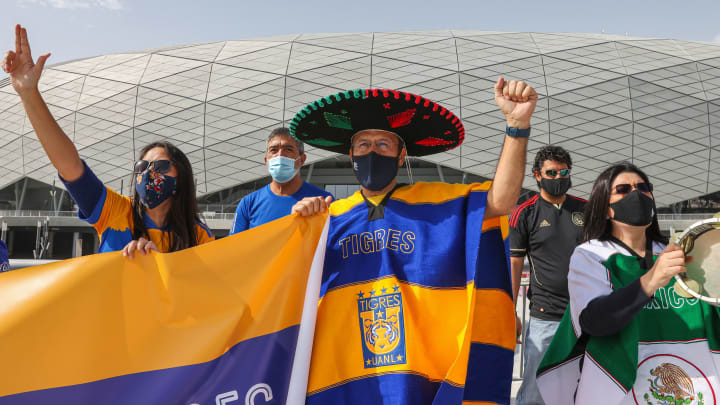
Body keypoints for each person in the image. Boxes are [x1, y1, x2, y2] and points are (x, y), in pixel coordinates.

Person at [291, 81, 537, 404]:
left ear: (401, 154)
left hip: (420, 378)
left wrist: (516, 127)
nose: (372, 152)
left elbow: (501, 200)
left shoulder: (437, 204)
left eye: (383, 144)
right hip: (346, 380)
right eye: (363, 145)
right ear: (350, 154)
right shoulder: (327, 220)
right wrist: (299, 225)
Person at [2, 25, 214, 257]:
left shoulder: (199, 236)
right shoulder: (115, 211)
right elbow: (69, 165)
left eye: (160, 166)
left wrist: (160, 263)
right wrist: (28, 93)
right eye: (142, 167)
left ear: (181, 176)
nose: (148, 173)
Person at [536, 162, 720, 404]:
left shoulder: (682, 252)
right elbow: (595, 321)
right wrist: (652, 280)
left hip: (696, 381)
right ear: (605, 209)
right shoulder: (591, 255)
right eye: (623, 189)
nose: (637, 194)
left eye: (643, 187)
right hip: (622, 386)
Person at [510, 146, 586, 405]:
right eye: (551, 173)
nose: (558, 178)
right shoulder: (525, 213)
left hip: (586, 316)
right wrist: (511, 310)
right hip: (546, 318)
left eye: (563, 172)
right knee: (535, 390)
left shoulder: (586, 210)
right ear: (537, 175)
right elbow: (514, 264)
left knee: (584, 387)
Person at [228, 127, 332, 234]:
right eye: (273, 150)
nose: (280, 155)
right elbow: (233, 247)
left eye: (288, 149)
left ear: (302, 159)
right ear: (266, 161)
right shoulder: (248, 203)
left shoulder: (323, 201)